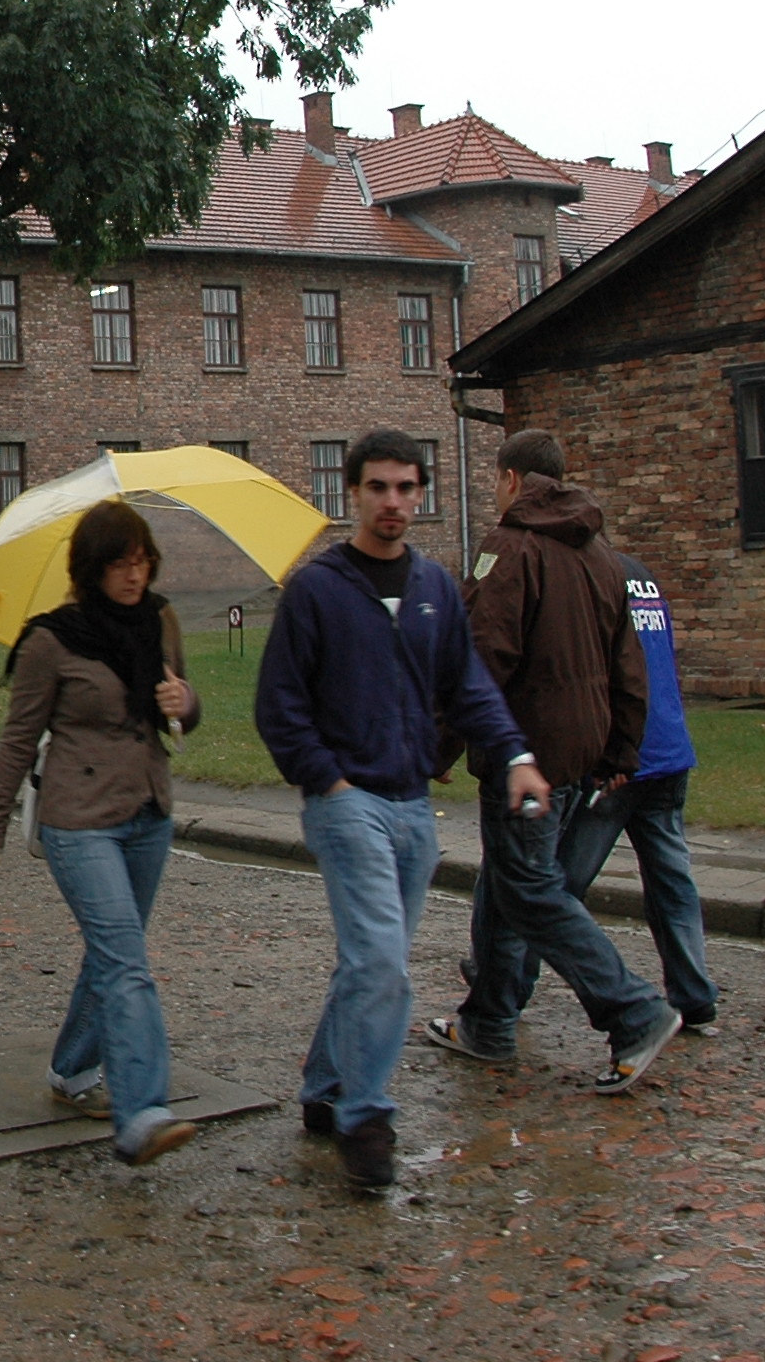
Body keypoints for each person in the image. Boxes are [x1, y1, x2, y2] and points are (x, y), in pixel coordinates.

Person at [253, 430, 542, 1190]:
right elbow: (279, 705)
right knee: (383, 959)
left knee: (370, 963)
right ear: (351, 493)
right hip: (347, 802)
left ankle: (323, 1087)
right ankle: (366, 1117)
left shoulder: (435, 587)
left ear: (421, 494)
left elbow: (468, 685)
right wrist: (328, 781)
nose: (393, 503)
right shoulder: (317, 590)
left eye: (407, 488)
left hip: (414, 808)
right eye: (378, 487)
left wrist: (514, 754)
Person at [425, 430, 681, 1088]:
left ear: (511, 479)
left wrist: (436, 743)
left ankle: (633, 1010)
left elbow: (481, 658)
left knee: (531, 889)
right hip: (580, 751)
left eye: (495, 480)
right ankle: (488, 1020)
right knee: (508, 881)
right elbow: (628, 663)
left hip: (525, 752)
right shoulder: (601, 554)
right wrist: (619, 750)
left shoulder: (508, 548)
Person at [0, 501, 201, 1167]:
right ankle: (143, 1110)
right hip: (79, 820)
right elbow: (16, 747)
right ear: (91, 569)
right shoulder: (50, 641)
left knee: (113, 952)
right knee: (126, 959)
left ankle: (72, 1070)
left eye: (143, 561)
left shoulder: (160, 621)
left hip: (148, 812)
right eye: (121, 565)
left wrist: (185, 703)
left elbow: (183, 713)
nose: (135, 576)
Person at [546, 552, 720, 1032]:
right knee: (672, 883)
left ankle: (503, 989)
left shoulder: (591, 580)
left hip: (621, 760)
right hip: (669, 748)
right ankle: (695, 994)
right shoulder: (641, 574)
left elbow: (607, 673)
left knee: (554, 888)